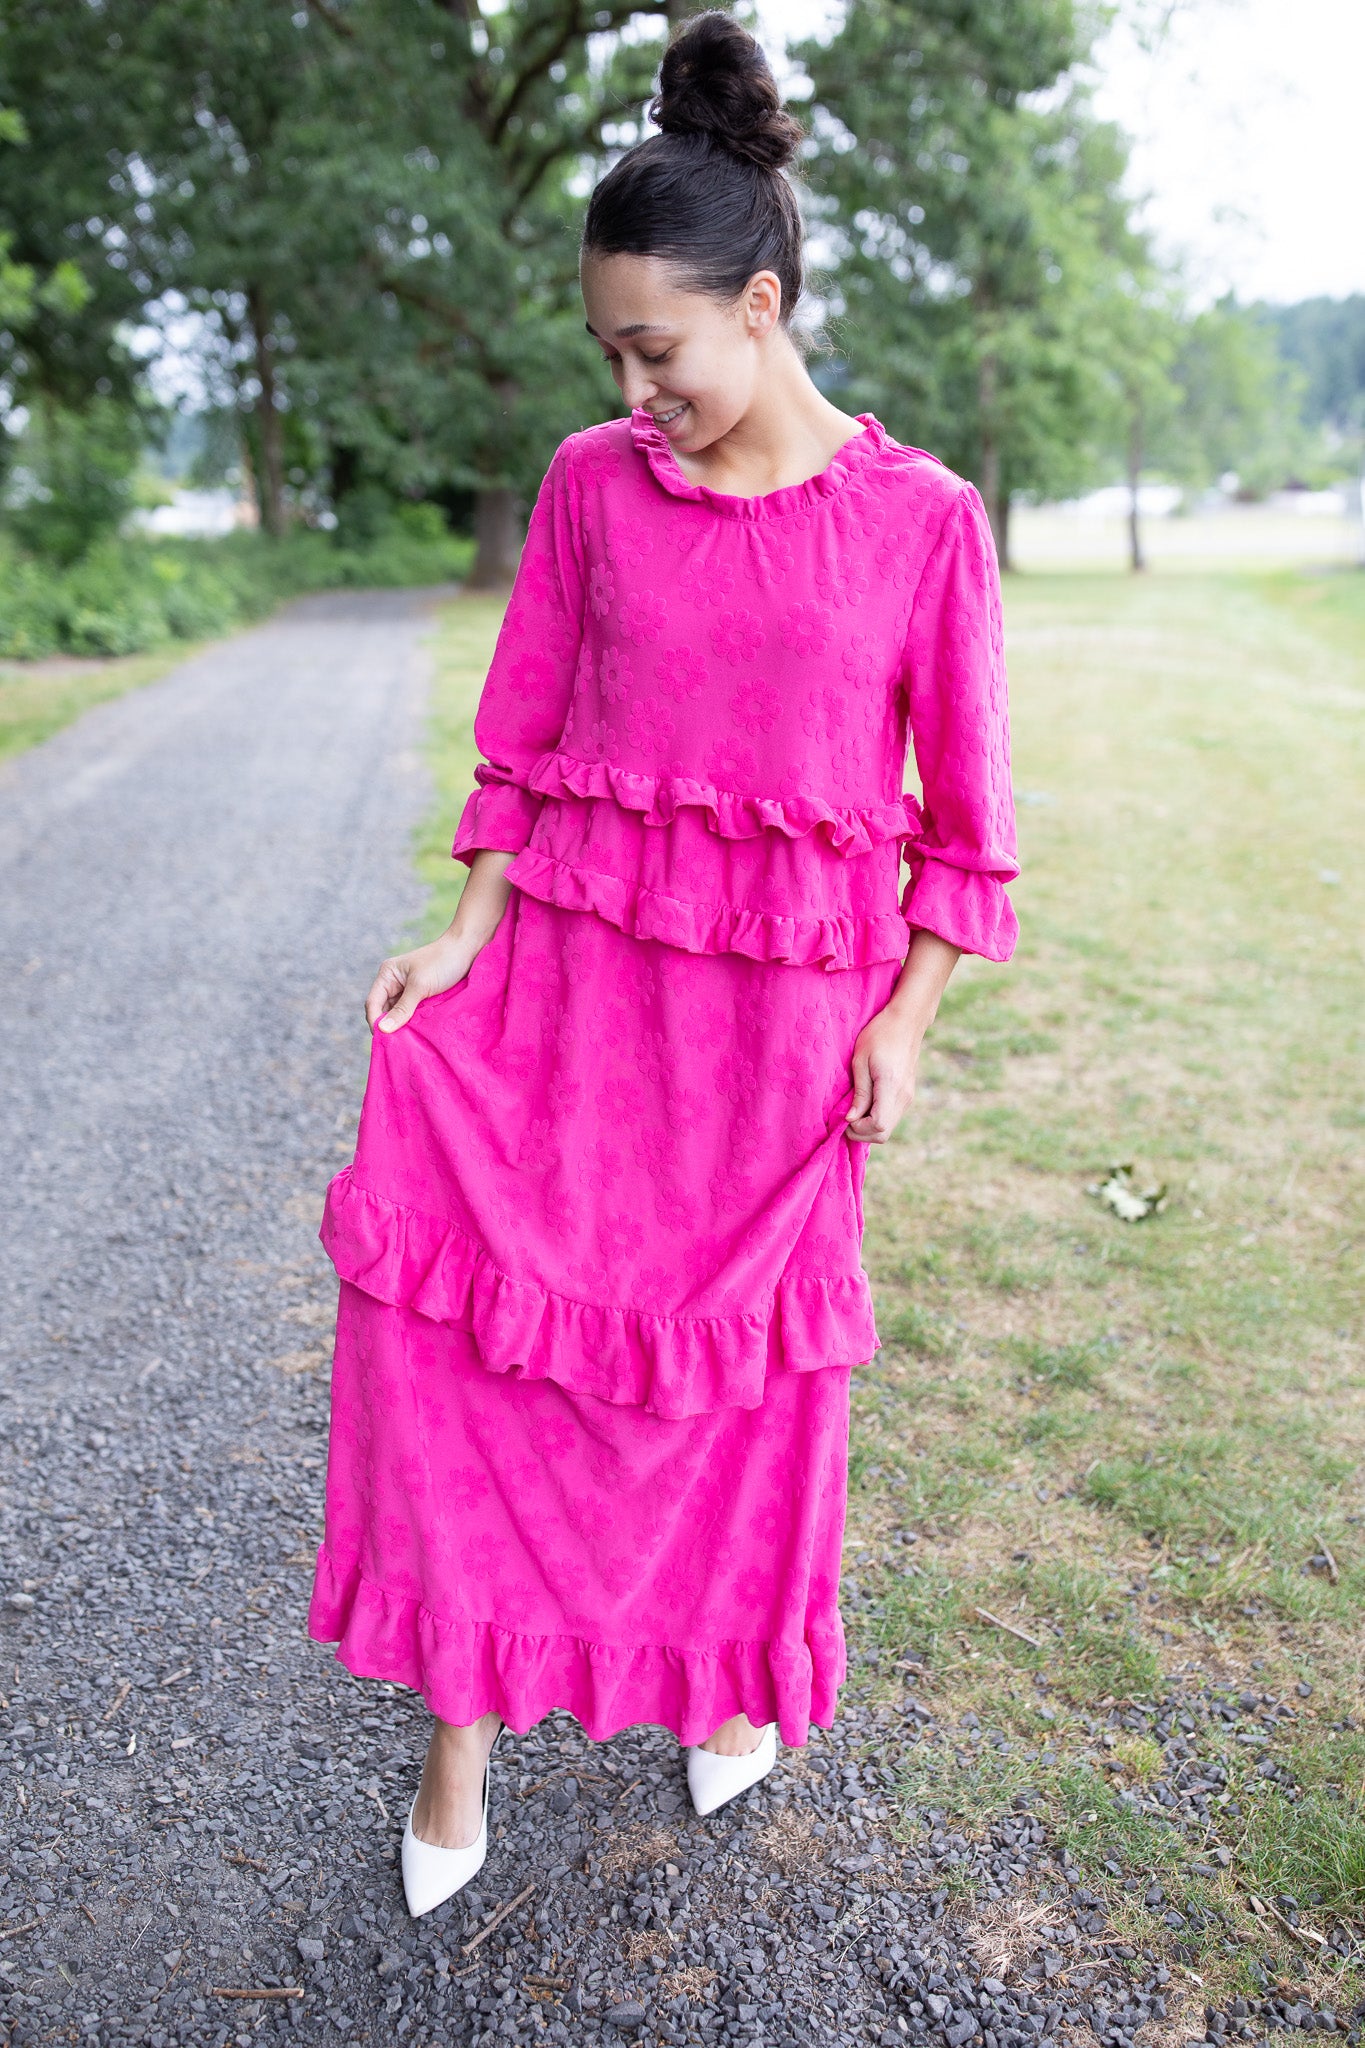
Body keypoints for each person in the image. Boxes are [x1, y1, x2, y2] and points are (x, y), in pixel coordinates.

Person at [307, 10, 1017, 1918]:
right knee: (494, 1351)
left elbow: (966, 824)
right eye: (608, 353)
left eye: (658, 350)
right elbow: (523, 727)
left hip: (775, 1050)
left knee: (735, 1390)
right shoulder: (589, 483)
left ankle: (720, 1673)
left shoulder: (922, 525)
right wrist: (462, 935)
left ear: (759, 308)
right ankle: (461, 1727)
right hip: (568, 1003)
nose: (634, 388)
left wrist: (909, 1019)